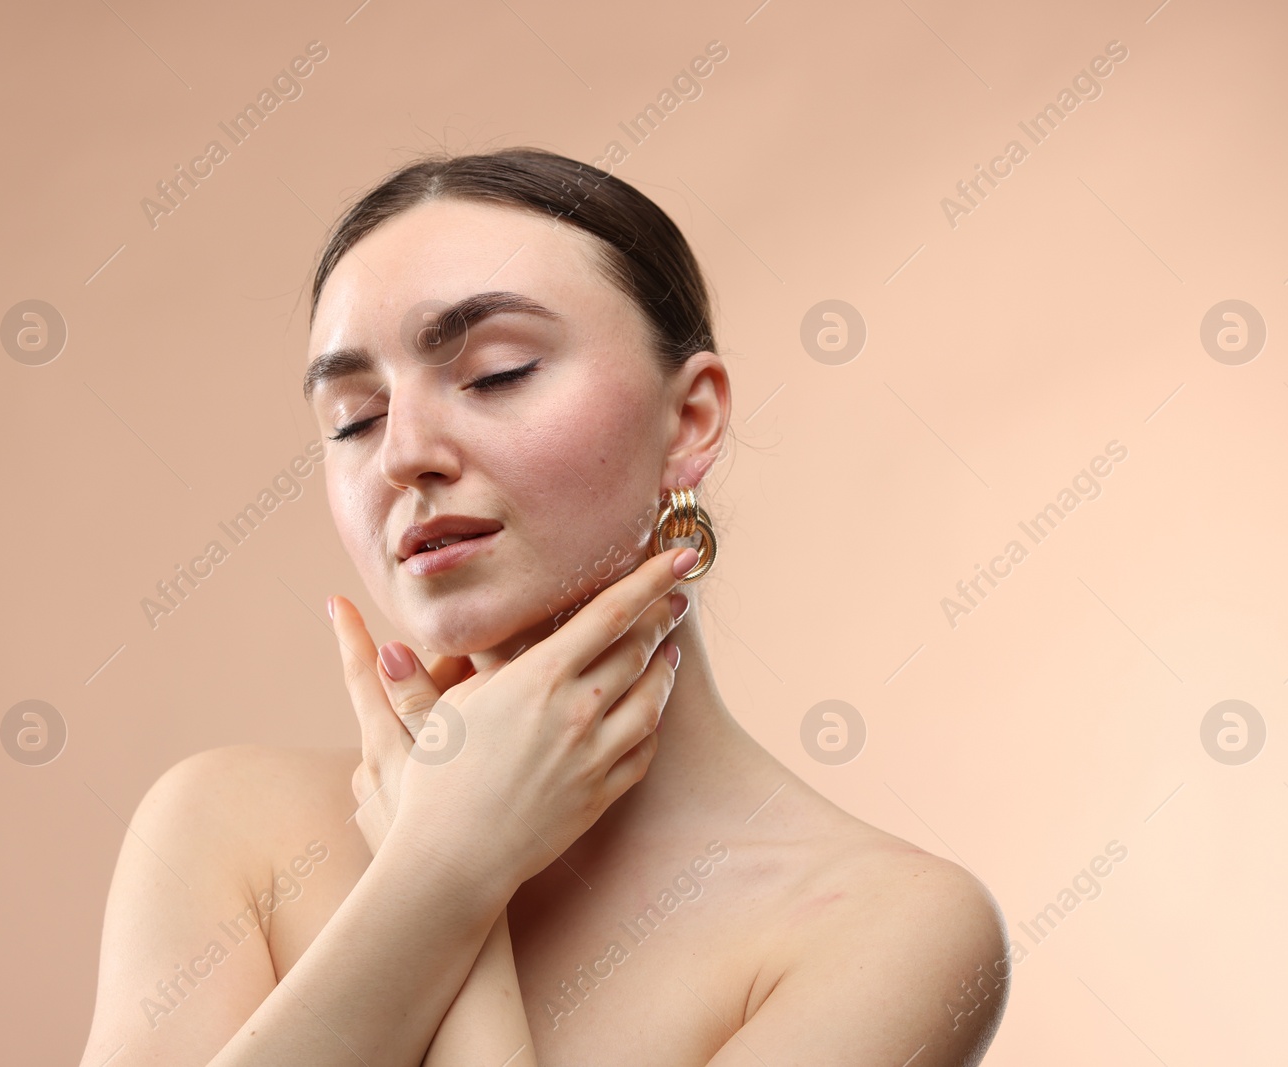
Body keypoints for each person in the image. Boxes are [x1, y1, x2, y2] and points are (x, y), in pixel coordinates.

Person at [77, 147, 1009, 1066]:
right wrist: (444, 866)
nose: (401, 453)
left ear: (688, 422)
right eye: (353, 417)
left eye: (497, 372)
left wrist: (450, 868)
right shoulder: (222, 825)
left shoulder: (889, 928)